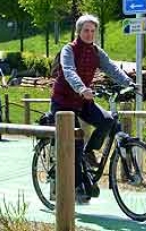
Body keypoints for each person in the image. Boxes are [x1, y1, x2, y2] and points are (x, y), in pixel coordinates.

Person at [50, 14, 135, 204]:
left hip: (83, 101)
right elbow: (69, 70)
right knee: (75, 144)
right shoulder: (69, 50)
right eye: (86, 30)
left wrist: (129, 82)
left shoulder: (97, 52)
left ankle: (89, 153)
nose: (89, 34)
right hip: (63, 103)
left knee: (107, 121)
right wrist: (81, 88)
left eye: (92, 31)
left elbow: (111, 68)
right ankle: (78, 185)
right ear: (78, 32)